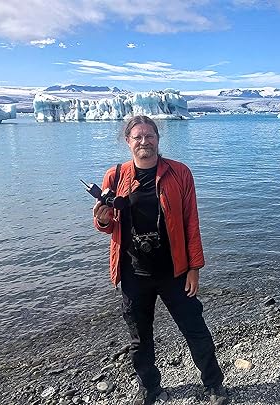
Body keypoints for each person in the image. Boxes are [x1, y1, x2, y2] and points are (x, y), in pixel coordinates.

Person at [93, 115, 226, 405]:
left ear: (158, 138)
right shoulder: (114, 177)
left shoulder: (179, 173)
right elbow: (107, 225)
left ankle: (214, 383)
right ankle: (149, 387)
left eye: (149, 135)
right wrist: (102, 220)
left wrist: (194, 268)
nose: (144, 142)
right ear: (127, 141)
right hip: (132, 273)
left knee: (194, 327)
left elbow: (191, 221)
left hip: (174, 270)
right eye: (137, 137)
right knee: (139, 338)